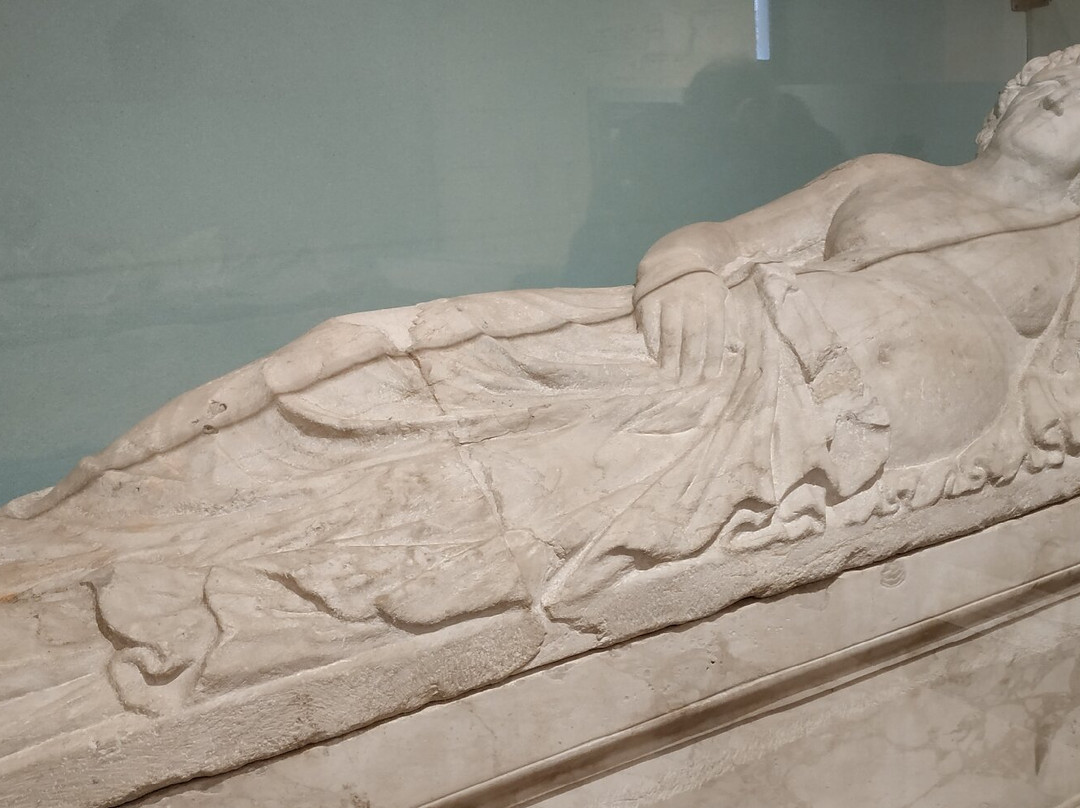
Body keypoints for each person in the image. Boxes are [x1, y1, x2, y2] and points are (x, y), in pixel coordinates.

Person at [4, 47, 1080, 714]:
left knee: (470, 506)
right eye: (1049, 81)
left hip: (820, 439)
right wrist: (685, 276)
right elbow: (715, 240)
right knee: (385, 350)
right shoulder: (890, 176)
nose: (1067, 91)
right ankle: (86, 533)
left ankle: (142, 604)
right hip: (727, 349)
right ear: (1001, 106)